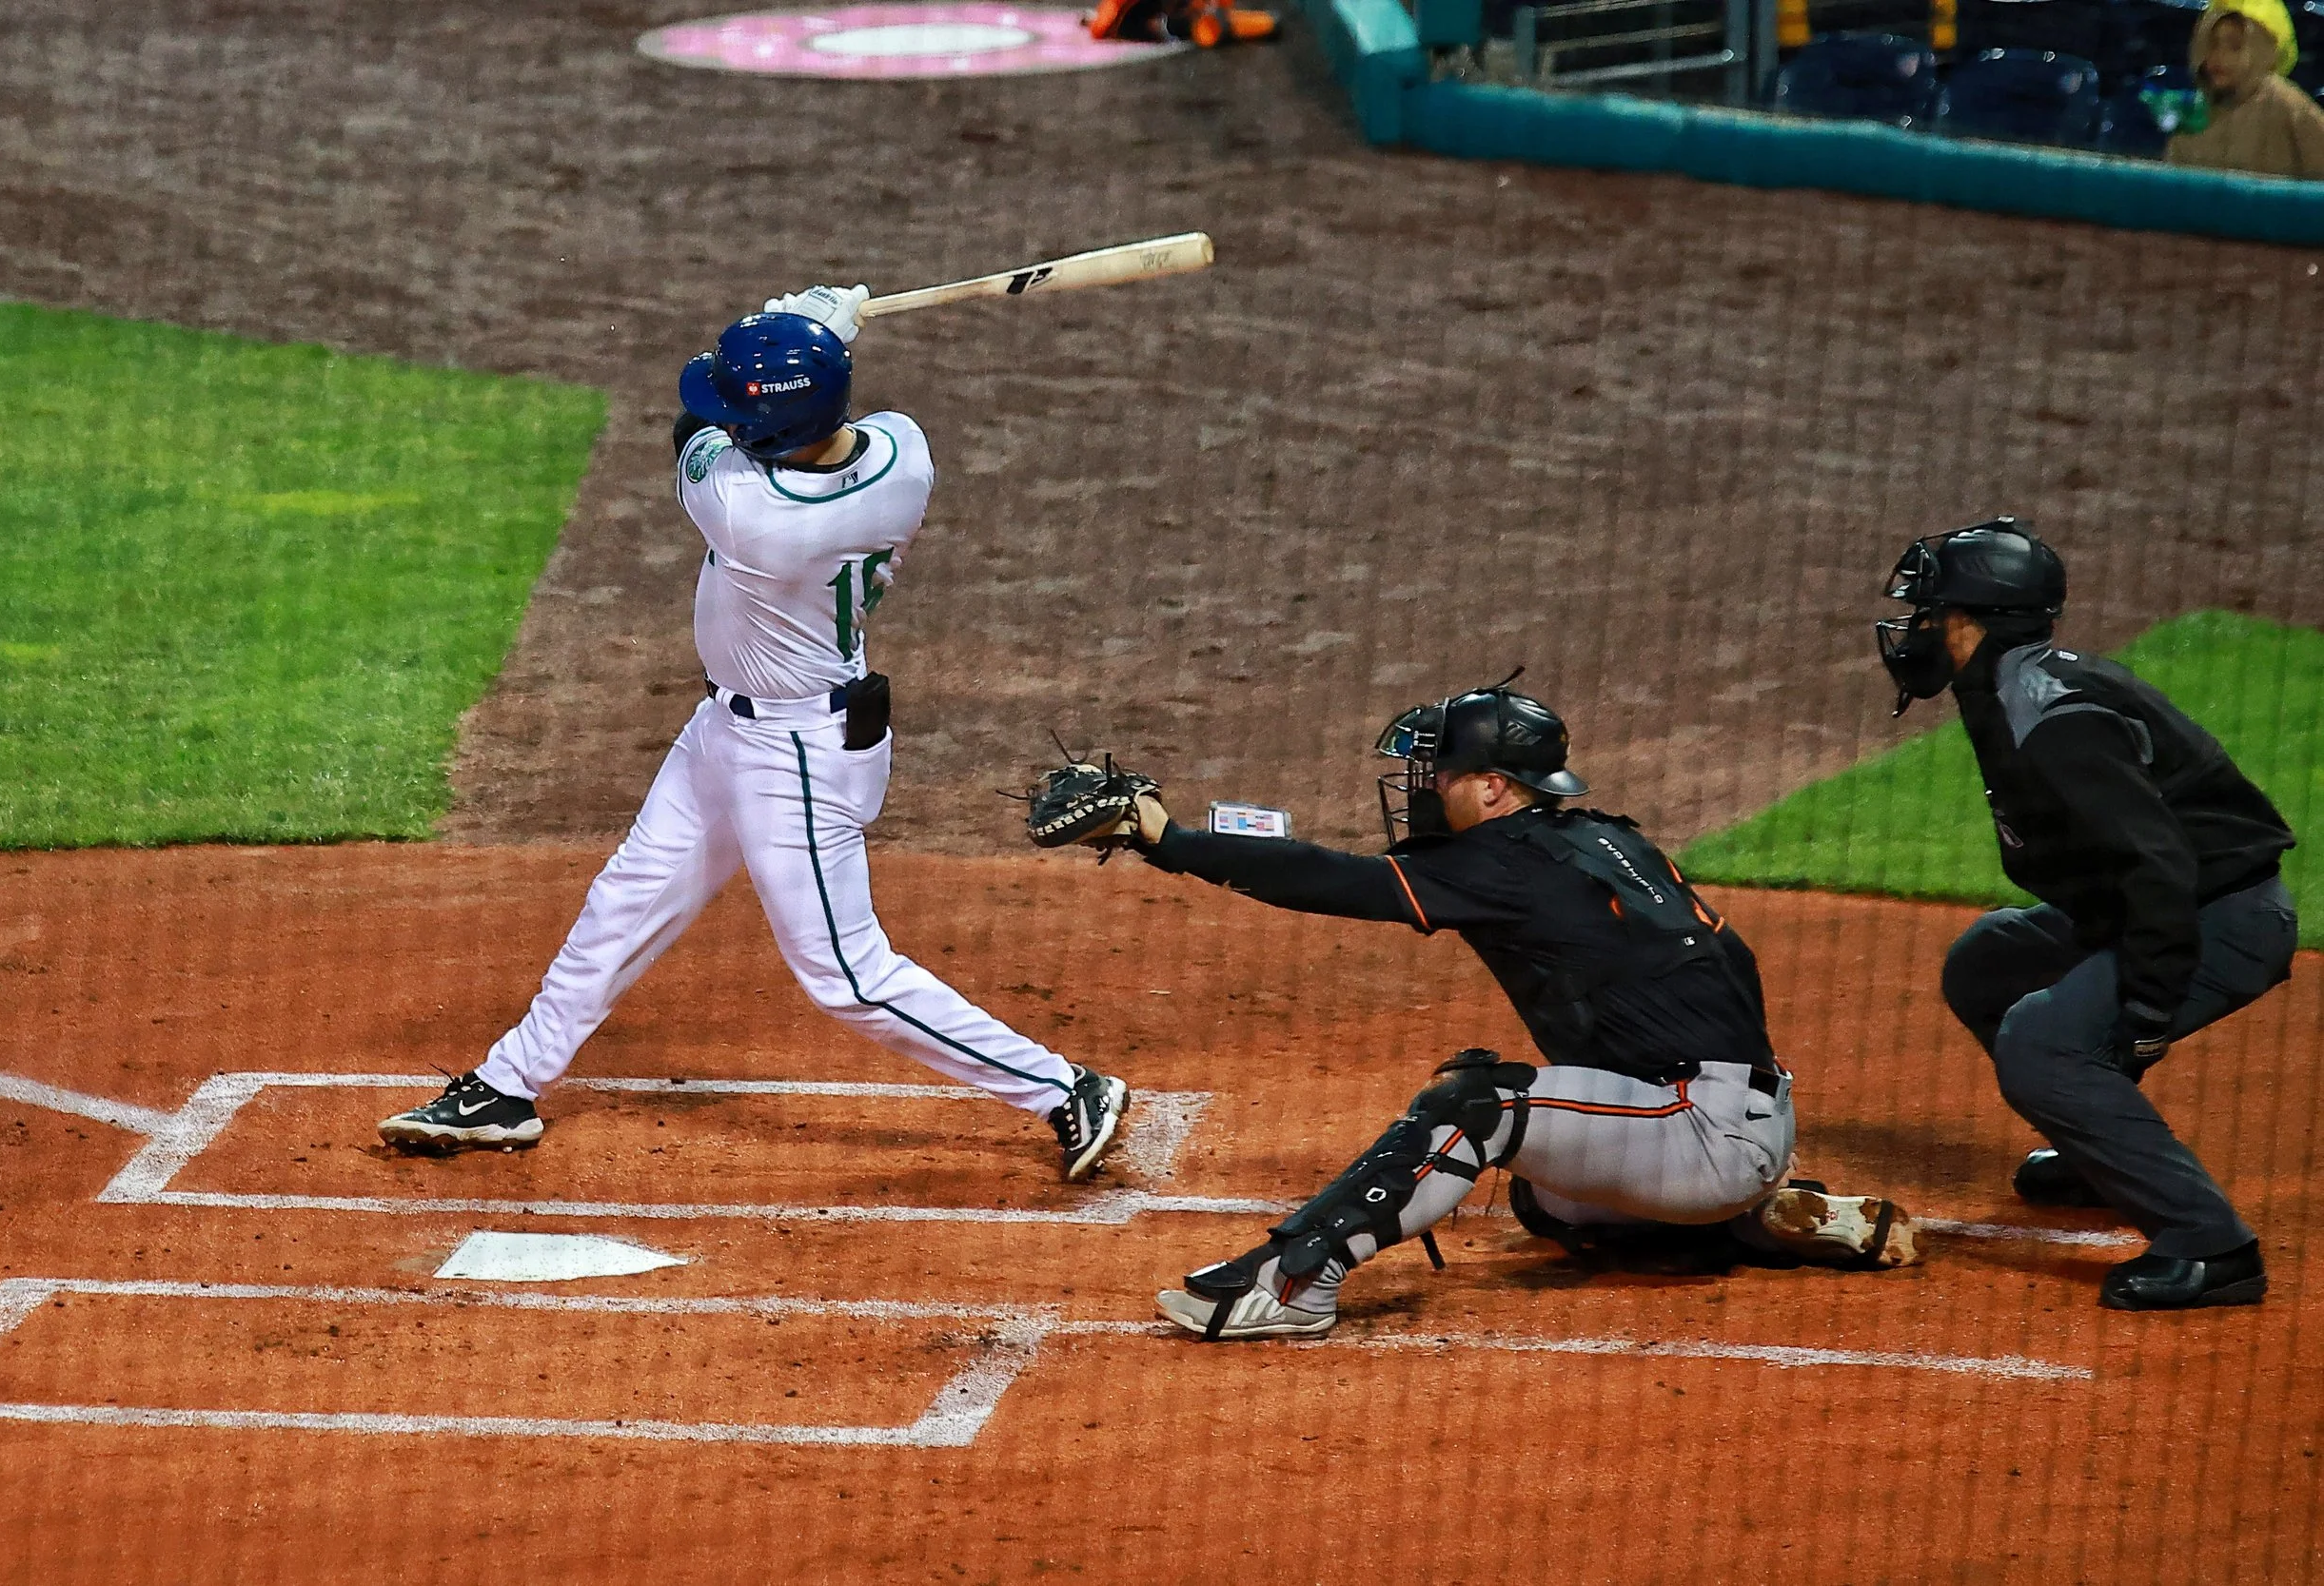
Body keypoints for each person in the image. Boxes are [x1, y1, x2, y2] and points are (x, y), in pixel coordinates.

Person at [378, 287, 1131, 1182]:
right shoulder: (905, 453)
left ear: (768, 434)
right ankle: (509, 1084)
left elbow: (685, 426)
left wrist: (816, 327)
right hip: (729, 730)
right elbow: (803, 411)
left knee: (845, 975)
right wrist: (813, 348)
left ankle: (1061, 1086)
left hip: (798, 757)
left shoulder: (747, 512)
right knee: (628, 897)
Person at [1056, 683, 1919, 1342]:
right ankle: (1753, 1220)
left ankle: (1287, 1287)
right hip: (1736, 1113)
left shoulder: (1504, 862)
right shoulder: (1598, 841)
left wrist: (1164, 838)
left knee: (1475, 1108)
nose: (1422, 789)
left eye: (1440, 774)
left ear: (1497, 789)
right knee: (1549, 1198)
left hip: (1701, 1128)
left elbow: (1333, 880)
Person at [1876, 519, 2298, 1309]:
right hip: (2164, 906)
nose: (1916, 628)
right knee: (1989, 959)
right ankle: (2100, 1155)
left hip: (2218, 919)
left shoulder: (2050, 713)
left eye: (1932, 611)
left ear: (1973, 619)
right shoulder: (2002, 683)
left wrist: (2148, 999)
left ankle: (2213, 1248)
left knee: (2043, 1044)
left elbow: (2161, 863)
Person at [2164, 0, 2324, 180]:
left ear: (2263, 51)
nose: (2219, 56)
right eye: (2213, 44)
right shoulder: (2195, 112)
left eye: (2235, 46)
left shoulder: (2289, 107)